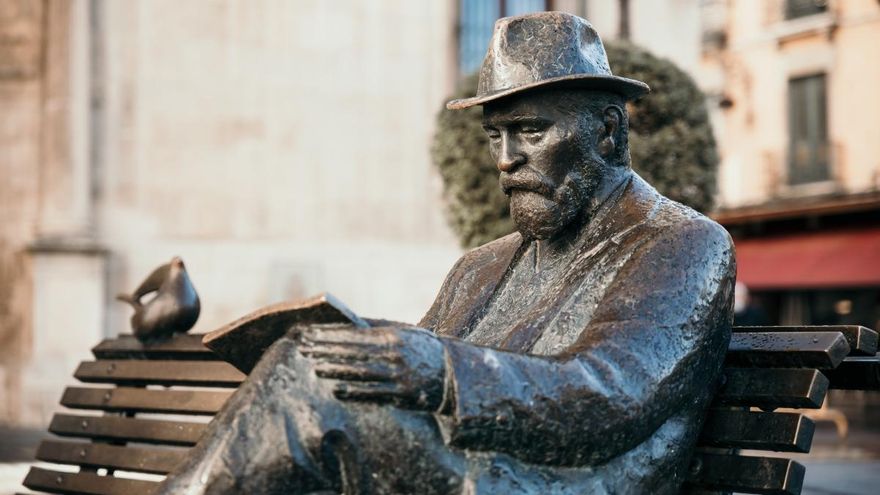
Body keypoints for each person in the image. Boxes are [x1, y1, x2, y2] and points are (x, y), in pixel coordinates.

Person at [158, 12, 735, 494]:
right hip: (472, 470)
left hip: (559, 484)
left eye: (531, 131)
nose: (506, 158)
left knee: (310, 384)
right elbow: (414, 363)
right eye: (494, 136)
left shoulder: (681, 243)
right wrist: (362, 346)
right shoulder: (479, 267)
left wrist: (439, 371)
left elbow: (613, 392)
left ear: (607, 131)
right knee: (310, 357)